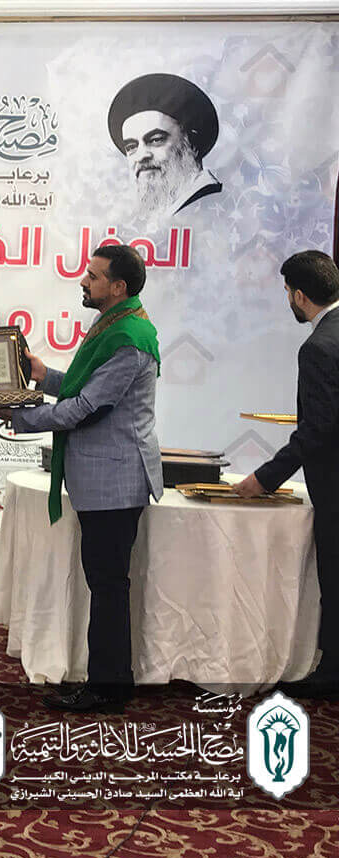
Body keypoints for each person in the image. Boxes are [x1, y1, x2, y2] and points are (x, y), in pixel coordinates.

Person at [0, 245, 162, 712]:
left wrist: (19, 416)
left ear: (118, 287)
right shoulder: (115, 323)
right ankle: (109, 681)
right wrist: (43, 376)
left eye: (93, 276)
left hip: (114, 480)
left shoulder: (128, 337)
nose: (83, 281)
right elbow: (84, 388)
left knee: (108, 585)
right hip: (105, 479)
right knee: (105, 583)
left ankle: (108, 688)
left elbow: (86, 408)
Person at [233, 250, 339, 698]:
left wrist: (264, 478)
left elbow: (317, 429)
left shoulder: (318, 347)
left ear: (298, 296)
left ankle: (332, 674)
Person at [108, 73, 222, 218]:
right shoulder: (164, 214)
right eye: (131, 147)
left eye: (156, 140)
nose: (141, 156)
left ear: (191, 143)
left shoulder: (208, 207)